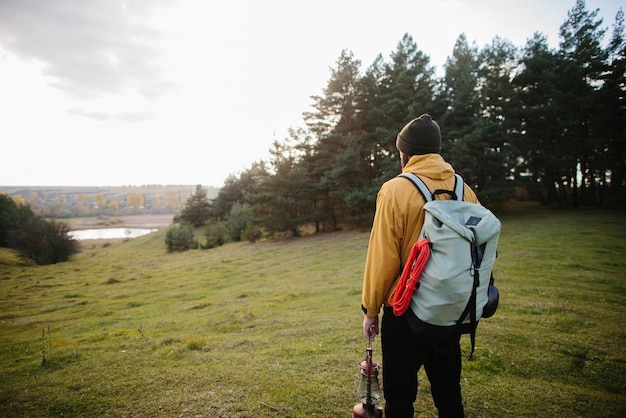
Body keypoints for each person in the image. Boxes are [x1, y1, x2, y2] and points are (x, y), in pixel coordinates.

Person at [361, 113, 479, 418]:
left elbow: (383, 257)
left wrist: (371, 309)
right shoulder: (464, 189)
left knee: (400, 399)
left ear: (405, 154)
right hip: (448, 310)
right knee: (449, 395)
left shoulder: (394, 190)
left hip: (404, 312)